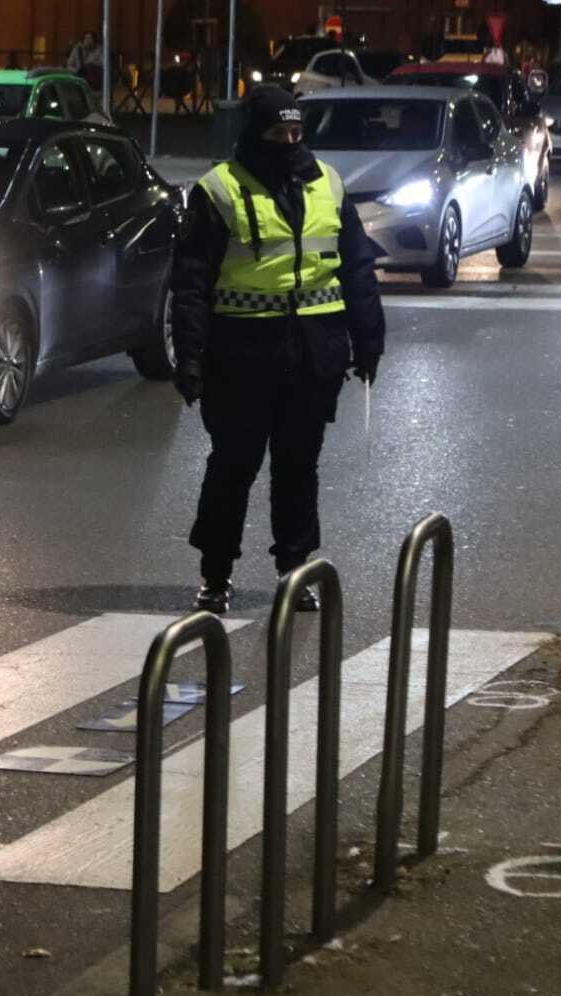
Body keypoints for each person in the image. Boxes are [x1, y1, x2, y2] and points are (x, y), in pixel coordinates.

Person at [171, 85, 385, 614]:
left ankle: (296, 571)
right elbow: (192, 281)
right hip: (240, 355)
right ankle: (215, 575)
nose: (289, 142)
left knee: (298, 469)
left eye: (295, 133)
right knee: (232, 468)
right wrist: (190, 356)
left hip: (313, 354)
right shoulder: (219, 190)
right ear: (254, 134)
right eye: (277, 133)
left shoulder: (327, 186)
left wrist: (369, 339)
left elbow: (356, 270)